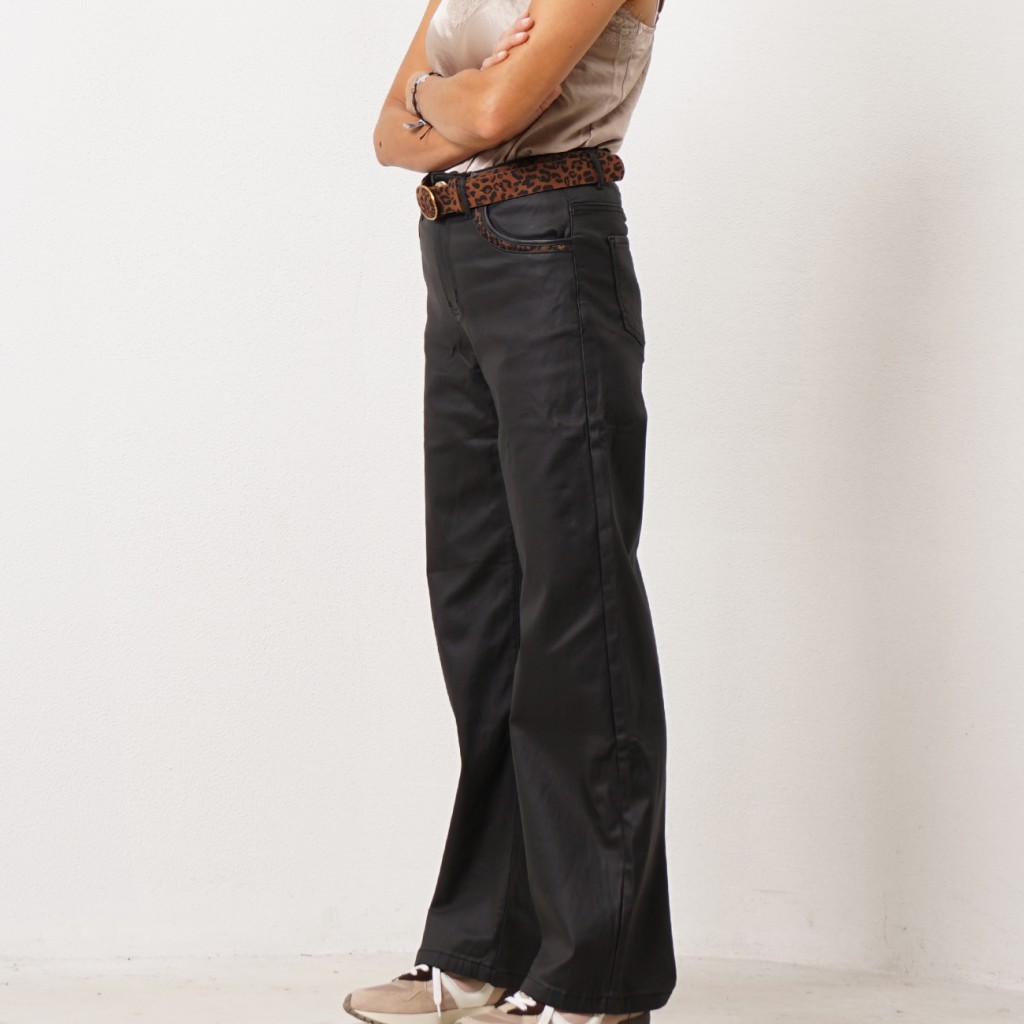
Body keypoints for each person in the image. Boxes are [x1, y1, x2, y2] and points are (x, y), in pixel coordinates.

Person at [348, 2, 674, 1023]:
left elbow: (491, 115)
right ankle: (488, 947)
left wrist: (439, 97)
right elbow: (387, 136)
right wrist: (449, 98)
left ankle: (597, 974)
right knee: (481, 609)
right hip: (457, 258)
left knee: (577, 610)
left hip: (549, 246)